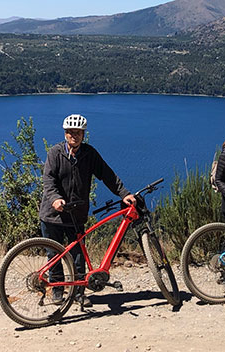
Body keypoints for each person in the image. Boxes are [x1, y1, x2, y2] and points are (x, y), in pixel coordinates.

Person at [38, 113, 136, 307]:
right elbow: (48, 181)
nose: (74, 136)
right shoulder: (55, 153)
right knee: (54, 256)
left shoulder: (89, 154)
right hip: (52, 215)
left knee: (78, 256)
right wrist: (55, 198)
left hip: (75, 215)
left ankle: (78, 293)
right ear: (65, 134)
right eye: (70, 132)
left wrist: (124, 193)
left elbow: (107, 175)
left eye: (78, 132)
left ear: (83, 134)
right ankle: (57, 291)